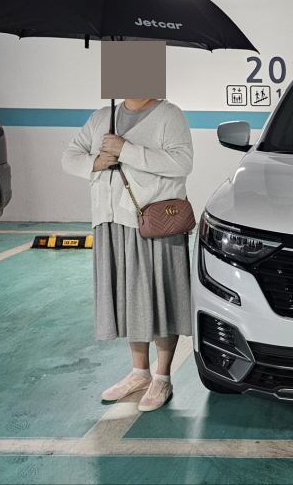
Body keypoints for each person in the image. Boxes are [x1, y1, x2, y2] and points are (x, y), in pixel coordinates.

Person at [62, 98, 193, 411]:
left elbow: (182, 162)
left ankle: (162, 376)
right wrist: (96, 162)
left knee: (162, 299)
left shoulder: (169, 115)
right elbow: (69, 157)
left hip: (154, 223)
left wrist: (126, 150)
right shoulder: (101, 116)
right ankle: (140, 372)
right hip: (111, 220)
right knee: (133, 300)